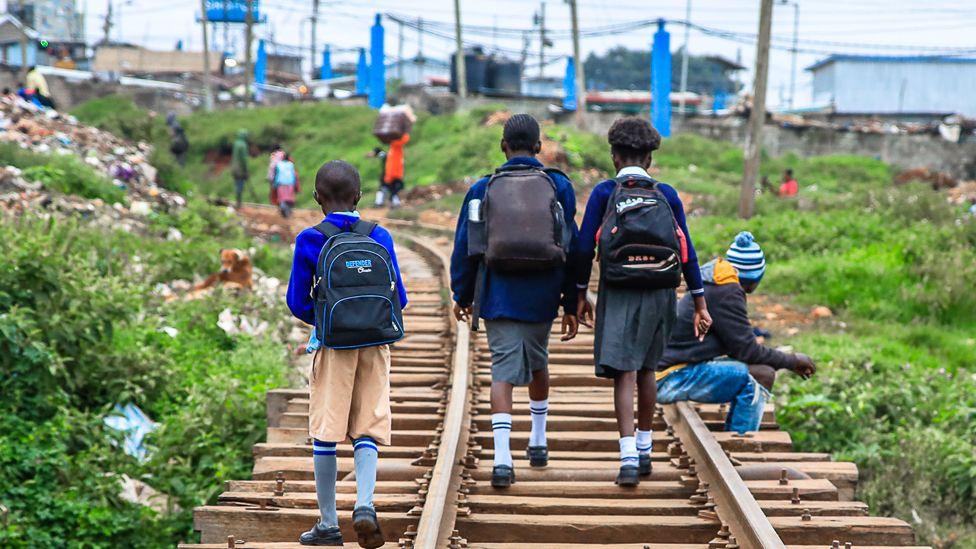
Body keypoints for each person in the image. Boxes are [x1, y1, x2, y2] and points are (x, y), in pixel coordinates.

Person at [576, 116, 711, 487]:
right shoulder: (666, 195)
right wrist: (700, 302)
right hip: (660, 291)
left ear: (615, 157)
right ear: (649, 159)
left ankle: (627, 459)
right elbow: (687, 251)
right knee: (647, 368)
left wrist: (577, 293)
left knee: (624, 371)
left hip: (617, 290)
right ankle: (647, 448)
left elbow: (584, 247)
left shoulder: (605, 193)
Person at [450, 114, 579, 488]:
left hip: (499, 292)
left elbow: (465, 247)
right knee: (538, 360)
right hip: (543, 291)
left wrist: (463, 294)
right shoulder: (559, 186)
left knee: (503, 370)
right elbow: (572, 245)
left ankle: (503, 459)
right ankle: (538, 440)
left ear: (503, 146)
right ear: (539, 147)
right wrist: (571, 301)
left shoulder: (481, 189)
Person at [286, 160, 408, 548]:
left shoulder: (310, 238)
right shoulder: (380, 235)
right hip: (375, 344)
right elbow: (398, 298)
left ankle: (327, 523)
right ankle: (365, 504)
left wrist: (324, 320)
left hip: (333, 345)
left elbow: (295, 301)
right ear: (359, 197)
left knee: (326, 430)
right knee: (367, 426)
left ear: (317, 198)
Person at [657, 231, 816, 434]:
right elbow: (747, 352)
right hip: (671, 378)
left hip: (669, 371)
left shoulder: (715, 281)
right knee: (762, 375)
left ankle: (734, 433)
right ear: (754, 278)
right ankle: (740, 441)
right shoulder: (727, 291)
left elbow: (739, 348)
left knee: (756, 370)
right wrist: (793, 361)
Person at [376, 133, 409, 208]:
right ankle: (392, 202)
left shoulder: (393, 148)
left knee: (393, 189)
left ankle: (393, 202)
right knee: (396, 189)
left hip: (391, 175)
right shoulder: (394, 147)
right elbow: (404, 140)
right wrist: (406, 130)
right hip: (393, 174)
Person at [272, 152, 301, 218]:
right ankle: (288, 211)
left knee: (282, 198)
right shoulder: (291, 164)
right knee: (289, 198)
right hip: (290, 183)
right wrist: (295, 184)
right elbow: (293, 175)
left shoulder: (279, 164)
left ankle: (284, 210)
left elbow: (277, 175)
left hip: (281, 183)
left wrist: (275, 184)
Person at [231, 129, 250, 208]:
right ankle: (239, 203)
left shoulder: (236, 143)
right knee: (240, 185)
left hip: (234, 166)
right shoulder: (243, 145)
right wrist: (246, 170)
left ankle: (238, 201)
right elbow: (244, 159)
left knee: (237, 184)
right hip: (240, 168)